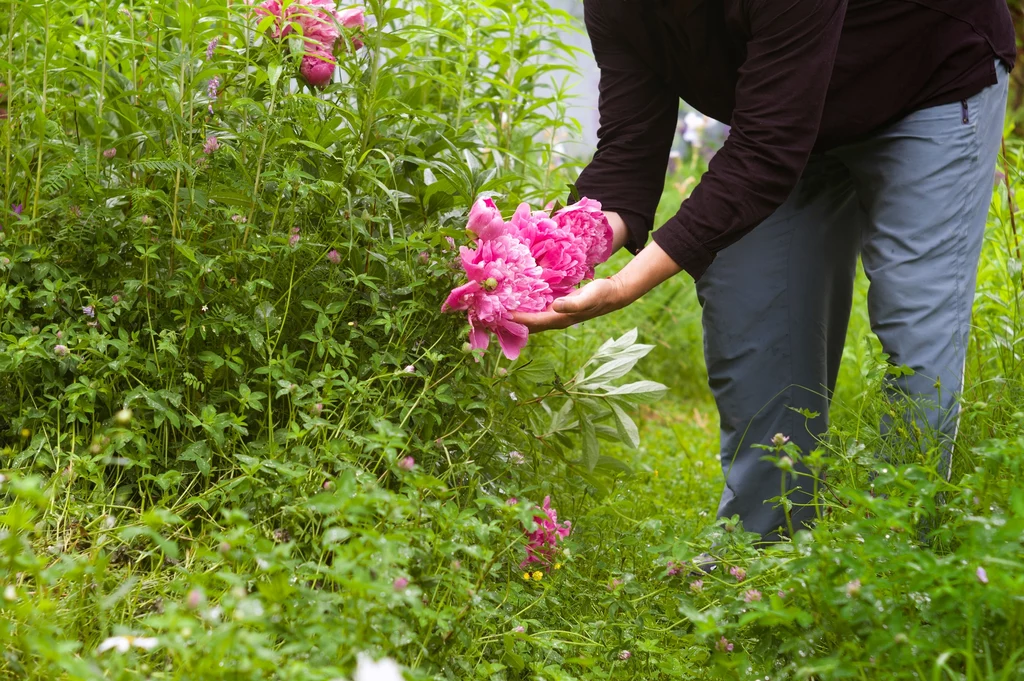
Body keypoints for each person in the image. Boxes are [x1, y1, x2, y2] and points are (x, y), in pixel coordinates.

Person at [513, 0, 1016, 541]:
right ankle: (761, 555)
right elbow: (629, 152)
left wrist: (626, 286)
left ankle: (892, 568)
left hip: (923, 75)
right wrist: (554, 251)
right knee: (749, 304)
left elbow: (765, 152)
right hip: (782, 107)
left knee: (917, 328)